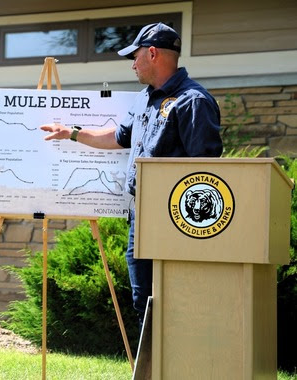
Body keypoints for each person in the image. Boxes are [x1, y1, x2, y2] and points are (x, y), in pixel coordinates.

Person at [40, 22, 223, 327]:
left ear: (152, 53)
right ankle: (150, 371)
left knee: (176, 299)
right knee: (144, 300)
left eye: (135, 57)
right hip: (141, 214)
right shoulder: (144, 98)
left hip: (177, 219)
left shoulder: (194, 102)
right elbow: (118, 137)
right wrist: (71, 133)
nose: (133, 65)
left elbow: (206, 171)